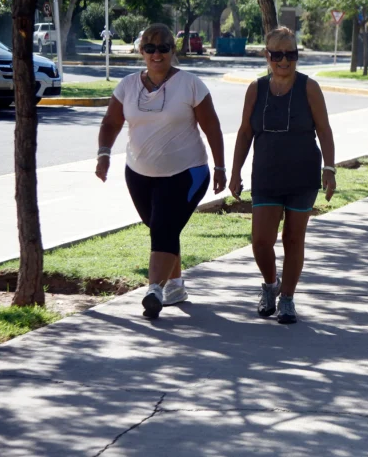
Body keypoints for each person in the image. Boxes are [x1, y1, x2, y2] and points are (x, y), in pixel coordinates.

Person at [95, 24, 226, 319]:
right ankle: (175, 286)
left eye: (163, 48)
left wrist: (220, 167)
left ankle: (154, 290)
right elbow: (111, 123)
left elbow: (212, 127)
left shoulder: (190, 84)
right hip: (138, 174)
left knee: (164, 227)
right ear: (141, 51)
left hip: (187, 172)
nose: (157, 54)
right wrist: (104, 154)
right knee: (161, 227)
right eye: (150, 48)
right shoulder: (128, 85)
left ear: (172, 50)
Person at [229, 27, 336, 324]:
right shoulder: (256, 89)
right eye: (277, 55)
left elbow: (324, 129)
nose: (284, 61)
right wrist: (235, 171)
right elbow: (245, 132)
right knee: (261, 241)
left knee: (293, 238)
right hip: (266, 174)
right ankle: (270, 284)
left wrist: (329, 169)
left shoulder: (309, 87)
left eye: (290, 54)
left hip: (303, 175)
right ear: (267, 56)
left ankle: (287, 298)